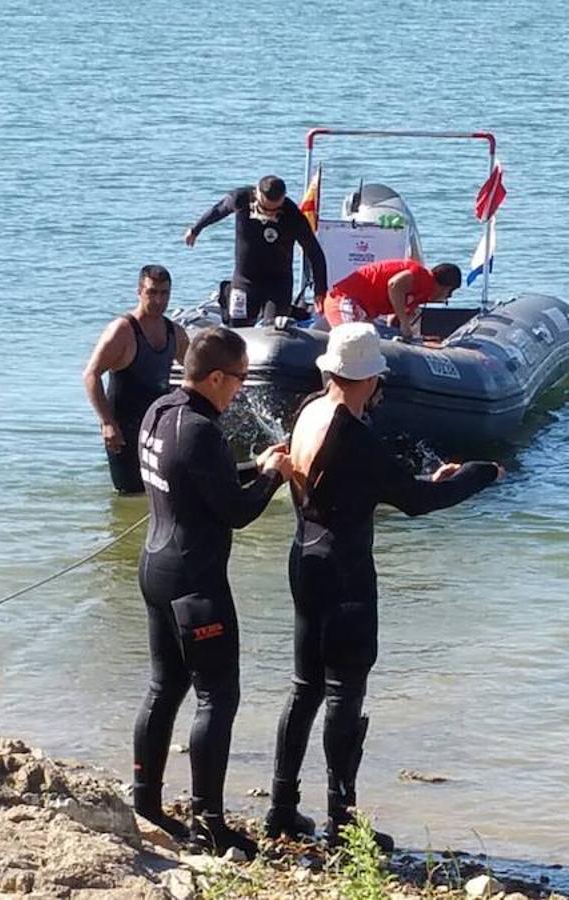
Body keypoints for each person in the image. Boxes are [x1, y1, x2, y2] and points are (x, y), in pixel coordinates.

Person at [264, 323, 502, 849]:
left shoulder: (309, 411)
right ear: (370, 378)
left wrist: (427, 482)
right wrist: (481, 475)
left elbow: (383, 485)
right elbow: (416, 503)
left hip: (304, 559)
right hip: (346, 573)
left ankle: (281, 807)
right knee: (345, 693)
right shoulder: (354, 434)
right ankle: (342, 821)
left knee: (305, 687)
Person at [133, 327, 293, 858]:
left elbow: (197, 478)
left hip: (156, 568)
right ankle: (209, 821)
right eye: (239, 380)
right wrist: (273, 479)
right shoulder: (202, 429)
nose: (241, 391)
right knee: (217, 697)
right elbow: (237, 512)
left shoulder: (160, 411)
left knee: (164, 688)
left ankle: (147, 802)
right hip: (195, 583)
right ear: (217, 377)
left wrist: (254, 465)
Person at [83, 265, 190, 494]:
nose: (159, 300)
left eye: (164, 293)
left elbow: (195, 374)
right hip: (123, 432)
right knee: (130, 495)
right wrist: (107, 423)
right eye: (152, 292)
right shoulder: (122, 331)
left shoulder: (175, 333)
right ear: (139, 291)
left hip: (158, 428)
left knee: (162, 492)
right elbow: (91, 375)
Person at [184, 175, 328, 327]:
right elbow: (219, 209)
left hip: (278, 282)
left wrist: (320, 290)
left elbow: (314, 252)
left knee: (274, 326)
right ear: (257, 192)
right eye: (265, 208)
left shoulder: (293, 215)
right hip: (245, 279)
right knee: (238, 326)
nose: (269, 214)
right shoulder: (241, 198)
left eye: (275, 210)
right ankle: (227, 293)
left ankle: (290, 312)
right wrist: (195, 229)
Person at [324, 258, 462, 338]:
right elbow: (394, 285)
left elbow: (393, 318)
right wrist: (404, 322)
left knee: (376, 336)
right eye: (449, 293)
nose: (446, 298)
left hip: (363, 311)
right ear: (445, 287)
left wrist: (405, 333)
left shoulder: (418, 297)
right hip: (346, 299)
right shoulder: (423, 277)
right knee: (351, 339)